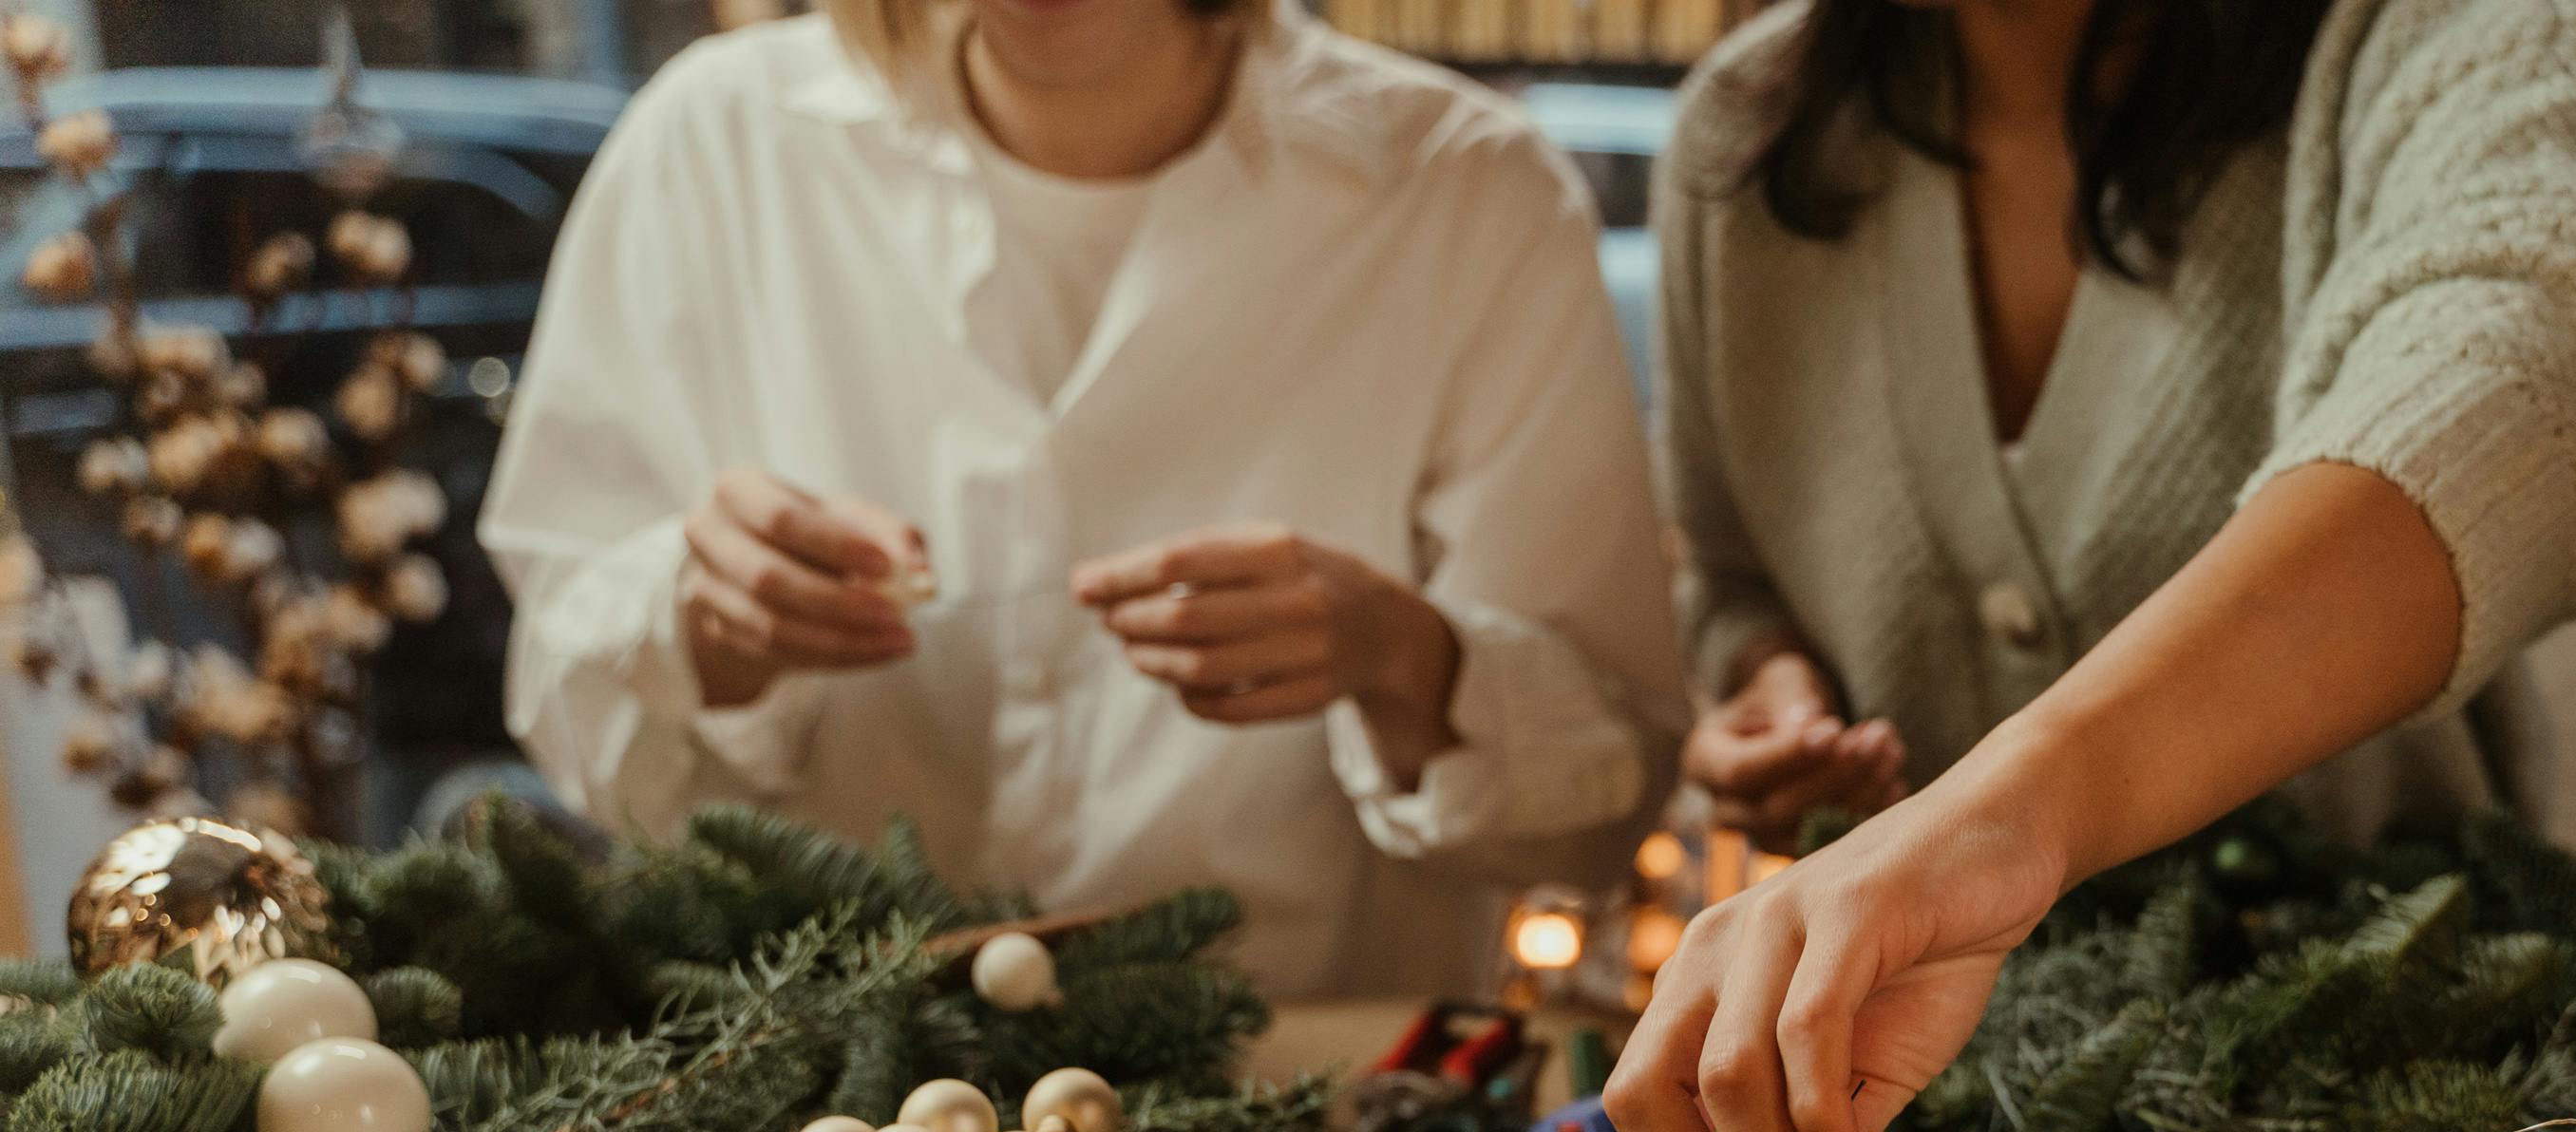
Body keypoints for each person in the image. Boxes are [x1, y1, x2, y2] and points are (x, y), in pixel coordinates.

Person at [1611, 0, 2576, 1132]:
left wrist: (2009, 814)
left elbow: (2549, 356)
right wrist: (1769, 688)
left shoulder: (2449, 33)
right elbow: (1736, 578)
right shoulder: (1749, 132)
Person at [482, 0, 1681, 994]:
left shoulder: (1465, 193)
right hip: (802, 1115)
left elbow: (1599, 800)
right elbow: (561, 678)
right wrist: (696, 621)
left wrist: (1401, 657)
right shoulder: (712, 145)